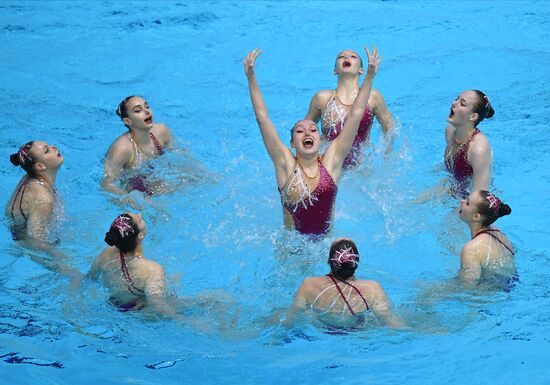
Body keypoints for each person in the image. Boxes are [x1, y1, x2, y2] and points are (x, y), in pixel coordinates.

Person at [243, 46, 381, 235]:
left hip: (324, 248)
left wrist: (370, 76)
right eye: (300, 131)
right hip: (291, 248)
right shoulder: (284, 163)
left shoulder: (332, 161)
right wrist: (251, 77)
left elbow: (356, 115)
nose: (307, 133)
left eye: (313, 129)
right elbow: (262, 118)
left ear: (320, 138)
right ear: (292, 143)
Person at [305, 49, 395, 168]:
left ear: (361, 70)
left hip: (360, 169)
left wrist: (386, 155)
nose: (346, 57)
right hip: (329, 165)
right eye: (341, 57)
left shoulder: (372, 98)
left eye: (353, 56)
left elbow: (390, 128)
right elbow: (304, 130)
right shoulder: (322, 99)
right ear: (335, 70)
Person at [287, 238, 403, 329]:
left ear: (329, 261)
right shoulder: (372, 288)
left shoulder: (309, 284)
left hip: (321, 330)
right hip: (358, 333)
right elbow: (387, 319)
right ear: (356, 262)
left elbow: (293, 316)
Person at [87, 213, 174, 314]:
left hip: (112, 305)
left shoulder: (106, 254)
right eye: (139, 219)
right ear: (140, 236)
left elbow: (90, 279)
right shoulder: (153, 270)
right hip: (139, 312)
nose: (140, 214)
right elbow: (158, 306)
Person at [102, 96, 173, 195]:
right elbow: (106, 184)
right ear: (128, 121)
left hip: (158, 182)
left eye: (147, 107)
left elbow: (179, 155)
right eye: (138, 110)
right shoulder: (122, 149)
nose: (147, 111)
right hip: (136, 190)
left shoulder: (162, 132)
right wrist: (131, 201)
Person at [6, 141, 64, 241]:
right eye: (47, 150)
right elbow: (34, 242)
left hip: (16, 230)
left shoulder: (30, 176)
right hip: (25, 245)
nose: (54, 147)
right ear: (40, 166)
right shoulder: (44, 200)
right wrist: (59, 255)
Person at [458, 190, 516, 289]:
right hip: (510, 283)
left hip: (490, 293)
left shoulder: (471, 249)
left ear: (476, 217)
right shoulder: (499, 233)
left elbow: (467, 289)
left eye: (467, 203)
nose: (462, 202)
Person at [444, 90, 494, 197]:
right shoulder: (450, 131)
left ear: (473, 117)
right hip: (452, 187)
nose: (454, 103)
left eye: (462, 103)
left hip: (470, 198)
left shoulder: (478, 149)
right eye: (456, 99)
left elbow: (478, 197)